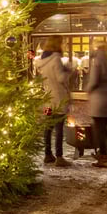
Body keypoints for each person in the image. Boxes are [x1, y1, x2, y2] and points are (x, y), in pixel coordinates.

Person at [36, 36, 72, 167]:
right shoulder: (56, 59)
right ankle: (59, 157)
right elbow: (61, 78)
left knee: (48, 128)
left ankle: (47, 154)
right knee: (59, 128)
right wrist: (68, 69)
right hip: (58, 99)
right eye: (63, 42)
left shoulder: (42, 60)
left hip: (48, 98)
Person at [86, 41, 107, 168]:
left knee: (99, 130)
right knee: (103, 128)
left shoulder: (97, 60)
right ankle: (102, 153)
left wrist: (87, 89)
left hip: (99, 99)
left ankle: (103, 157)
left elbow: (94, 80)